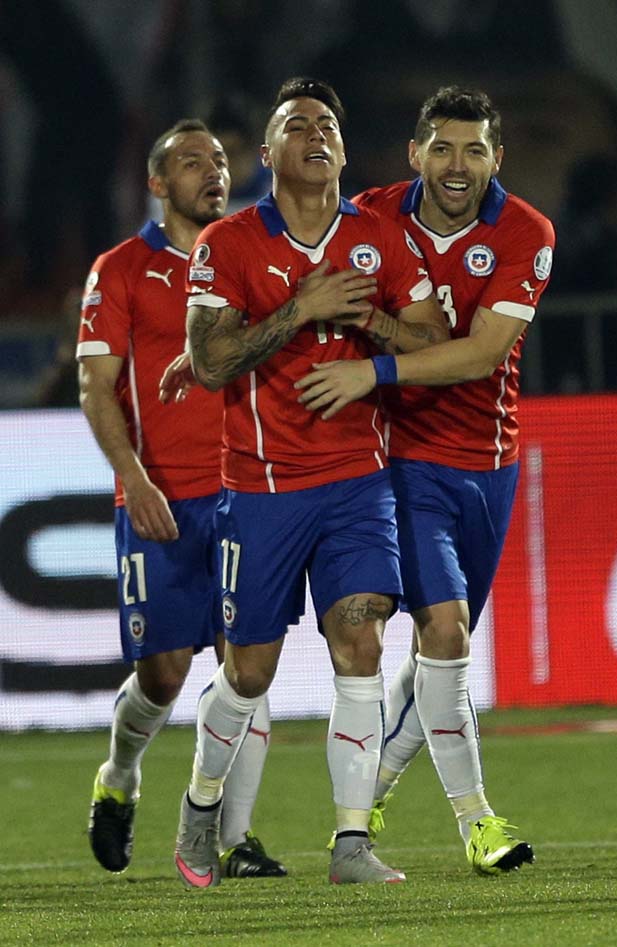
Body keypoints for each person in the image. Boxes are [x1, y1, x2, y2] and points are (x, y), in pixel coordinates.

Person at [159, 77, 447, 887]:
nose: (316, 134)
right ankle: (202, 802)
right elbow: (211, 362)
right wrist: (301, 305)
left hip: (359, 481)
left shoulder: (382, 237)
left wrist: (368, 324)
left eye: (328, 124)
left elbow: (430, 339)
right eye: (298, 124)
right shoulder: (231, 243)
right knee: (249, 672)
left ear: (344, 150)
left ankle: (351, 842)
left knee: (361, 641)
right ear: (267, 153)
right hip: (262, 488)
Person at [295, 86, 555, 874]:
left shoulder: (525, 231)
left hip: (492, 463)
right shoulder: (370, 216)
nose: (457, 164)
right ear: (415, 155)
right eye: (442, 148)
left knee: (441, 653)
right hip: (402, 461)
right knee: (445, 631)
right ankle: (479, 823)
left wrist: (376, 364)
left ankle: (370, 783)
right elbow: (296, 276)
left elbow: (480, 354)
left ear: (496, 159)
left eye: (474, 150)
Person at [77, 118, 286, 880]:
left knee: (247, 666)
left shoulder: (249, 256)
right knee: (163, 675)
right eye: (192, 162)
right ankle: (120, 776)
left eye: (222, 161)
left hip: (247, 491)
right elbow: (95, 386)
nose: (213, 172)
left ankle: (235, 837)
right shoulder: (123, 268)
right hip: (161, 499)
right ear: (158, 182)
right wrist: (133, 479)